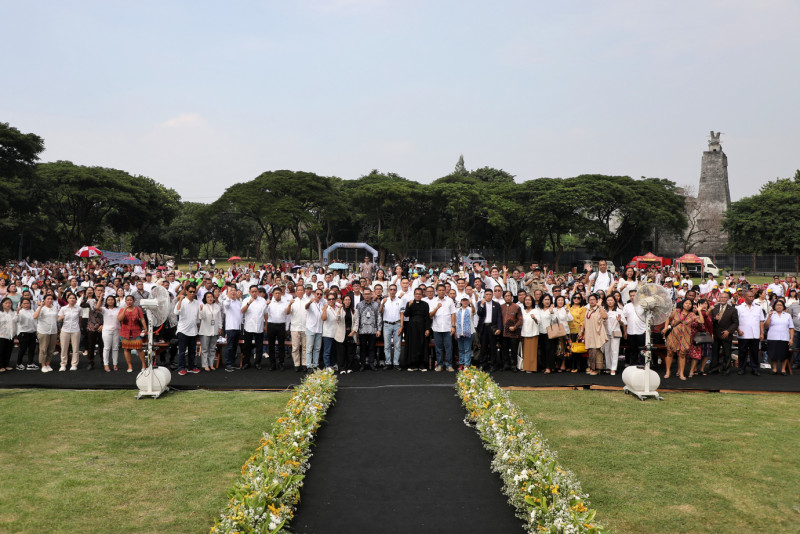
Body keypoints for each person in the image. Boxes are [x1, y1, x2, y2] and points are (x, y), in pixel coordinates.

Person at [663, 298, 703, 380]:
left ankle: (681, 373)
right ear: (683, 304)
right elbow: (668, 318)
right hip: (674, 335)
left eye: (690, 304)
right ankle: (668, 371)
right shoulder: (676, 311)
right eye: (686, 303)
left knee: (682, 354)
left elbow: (701, 321)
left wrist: (699, 311)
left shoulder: (692, 314)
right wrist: (666, 327)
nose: (688, 305)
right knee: (670, 352)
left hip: (685, 336)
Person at [174, 285, 201, 376]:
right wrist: (180, 300)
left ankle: (191, 366)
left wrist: (197, 327)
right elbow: (176, 312)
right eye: (190, 291)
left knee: (192, 351)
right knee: (182, 351)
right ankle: (181, 368)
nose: (192, 293)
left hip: (193, 330)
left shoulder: (197, 303)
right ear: (186, 292)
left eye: (194, 292)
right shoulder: (183, 301)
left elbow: (197, 317)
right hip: (183, 330)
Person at [736, 290, 764, 376]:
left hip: (755, 334)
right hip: (743, 334)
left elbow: (761, 321)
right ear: (745, 297)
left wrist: (762, 333)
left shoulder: (758, 308)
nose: (752, 298)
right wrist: (738, 330)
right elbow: (735, 321)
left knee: (755, 352)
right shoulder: (739, 308)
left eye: (752, 296)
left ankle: (755, 369)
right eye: (749, 296)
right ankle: (741, 368)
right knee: (742, 352)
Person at [429, 283, 456, 372]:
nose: (441, 292)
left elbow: (453, 314)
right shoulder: (433, 301)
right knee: (438, 348)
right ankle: (440, 364)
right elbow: (430, 315)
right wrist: (437, 307)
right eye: (439, 290)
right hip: (437, 328)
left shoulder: (449, 301)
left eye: (443, 290)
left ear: (445, 291)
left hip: (448, 328)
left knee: (449, 347)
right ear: (436, 291)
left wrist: (453, 326)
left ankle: (448, 365)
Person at [403, 288, 431, 371]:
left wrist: (427, 329)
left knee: (422, 345)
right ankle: (413, 364)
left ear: (422, 295)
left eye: (419, 294)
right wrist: (409, 306)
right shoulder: (410, 303)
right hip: (412, 328)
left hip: (422, 327)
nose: (418, 295)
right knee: (413, 345)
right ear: (414, 295)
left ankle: (422, 365)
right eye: (416, 294)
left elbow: (427, 317)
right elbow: (406, 314)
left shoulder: (425, 304)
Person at [241, 285, 268, 370]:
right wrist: (249, 303)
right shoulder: (246, 300)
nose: (254, 293)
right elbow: (242, 311)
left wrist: (266, 325)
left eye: (255, 291)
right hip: (249, 326)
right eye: (252, 291)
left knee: (259, 346)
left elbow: (265, 313)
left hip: (259, 326)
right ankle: (246, 362)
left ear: (258, 292)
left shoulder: (263, 300)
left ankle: (257, 363)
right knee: (247, 346)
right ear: (249, 292)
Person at [118, 295, 146, 372]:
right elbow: (120, 319)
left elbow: (142, 319)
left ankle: (144, 364)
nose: (129, 301)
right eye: (128, 300)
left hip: (136, 331)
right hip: (125, 332)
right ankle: (129, 366)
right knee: (127, 349)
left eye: (131, 300)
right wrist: (125, 310)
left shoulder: (138, 309)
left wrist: (145, 328)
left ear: (133, 301)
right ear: (125, 301)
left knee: (139, 348)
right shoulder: (122, 309)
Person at [764, 299, 793, 375]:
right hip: (773, 337)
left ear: (783, 307)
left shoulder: (787, 315)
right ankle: (774, 369)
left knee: (784, 354)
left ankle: (783, 369)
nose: (779, 306)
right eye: (777, 305)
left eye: (780, 305)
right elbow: (766, 325)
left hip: (784, 337)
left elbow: (791, 328)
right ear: (774, 306)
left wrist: (791, 338)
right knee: (773, 354)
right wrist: (769, 316)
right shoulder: (771, 314)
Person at [476, 289, 502, 371]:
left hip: (492, 327)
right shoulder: (480, 303)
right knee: (483, 347)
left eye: (490, 294)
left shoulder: (496, 305)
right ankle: (483, 364)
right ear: (484, 295)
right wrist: (482, 305)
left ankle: (493, 365)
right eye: (486, 294)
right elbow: (479, 314)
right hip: (483, 327)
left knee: (493, 347)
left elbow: (499, 317)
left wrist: (499, 328)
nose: (488, 296)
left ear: (492, 295)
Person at [356, 288, 381, 371]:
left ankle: (371, 364)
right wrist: (357, 330)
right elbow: (357, 318)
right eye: (365, 294)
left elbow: (379, 318)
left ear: (371, 294)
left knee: (372, 348)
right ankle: (362, 364)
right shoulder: (359, 305)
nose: (367, 296)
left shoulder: (376, 305)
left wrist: (379, 329)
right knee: (362, 348)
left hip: (373, 330)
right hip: (362, 330)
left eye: (368, 294)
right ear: (363, 295)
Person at [379, 284, 404, 370]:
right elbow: (380, 311)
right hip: (387, 324)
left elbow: (402, 314)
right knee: (387, 345)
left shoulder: (400, 301)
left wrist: (401, 326)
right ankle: (388, 363)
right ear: (389, 291)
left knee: (397, 345)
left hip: (397, 324)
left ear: (396, 291)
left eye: (394, 290)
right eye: (391, 289)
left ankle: (396, 363)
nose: (393, 291)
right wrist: (383, 304)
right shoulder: (384, 300)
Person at [582, 294, 608, 376]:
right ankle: (592, 367)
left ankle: (598, 369)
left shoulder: (600, 309)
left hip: (598, 332)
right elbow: (585, 322)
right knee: (591, 351)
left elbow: (605, 317)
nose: (592, 301)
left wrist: (600, 307)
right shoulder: (588, 310)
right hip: (589, 333)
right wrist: (584, 333)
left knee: (597, 350)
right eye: (590, 300)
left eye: (593, 299)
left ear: (597, 300)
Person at [286, 285, 310, 372]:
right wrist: (289, 304)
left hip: (305, 327)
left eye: (301, 290)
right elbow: (287, 313)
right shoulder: (293, 301)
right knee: (295, 347)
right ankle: (296, 364)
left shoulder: (307, 301)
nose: (300, 292)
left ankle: (304, 363)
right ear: (296, 292)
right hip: (295, 327)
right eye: (298, 290)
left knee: (305, 347)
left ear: (304, 292)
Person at [621, 289, 646, 369]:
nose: (632, 297)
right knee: (632, 350)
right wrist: (625, 332)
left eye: (634, 295)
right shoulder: (627, 306)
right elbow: (624, 320)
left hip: (642, 331)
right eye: (631, 295)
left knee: (642, 350)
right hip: (630, 332)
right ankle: (633, 366)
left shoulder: (644, 305)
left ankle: (642, 365)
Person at [34, 293, 59, 373]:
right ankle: (43, 365)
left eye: (51, 299)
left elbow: (57, 319)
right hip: (43, 331)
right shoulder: (41, 308)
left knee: (51, 349)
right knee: (43, 348)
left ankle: (48, 363)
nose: (50, 300)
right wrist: (41, 306)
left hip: (53, 330)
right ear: (44, 300)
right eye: (48, 299)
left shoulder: (54, 308)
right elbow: (35, 316)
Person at [265, 287, 289, 371]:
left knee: (281, 346)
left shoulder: (285, 303)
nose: (277, 295)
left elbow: (288, 316)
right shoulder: (269, 303)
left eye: (279, 293)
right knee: (271, 346)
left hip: (281, 325)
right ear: (273, 294)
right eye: (276, 293)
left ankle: (281, 363)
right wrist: (266, 305)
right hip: (271, 325)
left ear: (281, 294)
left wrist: (287, 328)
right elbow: (264, 313)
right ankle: (272, 364)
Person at [58, 292, 82, 371]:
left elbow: (80, 319)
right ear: (67, 299)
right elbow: (58, 319)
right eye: (70, 298)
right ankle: (63, 364)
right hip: (65, 330)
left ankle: (74, 364)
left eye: (73, 298)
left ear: (75, 300)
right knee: (64, 348)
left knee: (75, 349)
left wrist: (79, 327)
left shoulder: (79, 308)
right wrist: (61, 318)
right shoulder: (63, 308)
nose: (72, 299)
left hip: (75, 330)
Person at [198, 291, 222, 371]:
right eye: (208, 297)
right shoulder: (203, 306)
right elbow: (201, 317)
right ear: (205, 298)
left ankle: (211, 364)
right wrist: (201, 310)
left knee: (212, 348)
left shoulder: (217, 306)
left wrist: (220, 327)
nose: (210, 298)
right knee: (205, 349)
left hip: (214, 330)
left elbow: (219, 318)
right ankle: (205, 365)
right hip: (205, 330)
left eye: (211, 297)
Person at [602, 295, 626, 376]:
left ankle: (613, 368)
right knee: (607, 350)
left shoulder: (619, 311)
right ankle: (608, 367)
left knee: (614, 350)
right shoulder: (604, 310)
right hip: (606, 332)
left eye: (611, 300)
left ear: (614, 301)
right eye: (608, 300)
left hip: (616, 332)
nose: (609, 302)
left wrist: (619, 321)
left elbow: (624, 323)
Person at [499, 290, 522, 372]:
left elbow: (520, 320)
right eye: (506, 296)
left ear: (512, 297)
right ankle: (506, 365)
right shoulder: (501, 307)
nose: (507, 297)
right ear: (504, 297)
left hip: (513, 333)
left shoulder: (516, 307)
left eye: (509, 295)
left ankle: (514, 365)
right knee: (504, 349)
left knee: (513, 349)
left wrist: (515, 327)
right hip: (504, 333)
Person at [221, 286, 242, 371]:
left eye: (234, 290)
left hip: (238, 327)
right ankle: (228, 363)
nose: (233, 292)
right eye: (231, 291)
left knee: (234, 346)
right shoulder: (227, 301)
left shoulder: (238, 302)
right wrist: (229, 297)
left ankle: (232, 362)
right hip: (230, 327)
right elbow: (226, 305)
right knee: (229, 346)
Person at [321, 291, 343, 369]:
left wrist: (340, 308)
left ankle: (333, 364)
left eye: (333, 299)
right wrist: (325, 310)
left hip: (336, 332)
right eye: (329, 299)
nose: (331, 301)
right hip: (328, 333)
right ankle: (327, 365)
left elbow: (340, 319)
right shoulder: (325, 308)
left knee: (334, 350)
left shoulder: (338, 307)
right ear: (327, 300)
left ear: (335, 299)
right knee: (327, 351)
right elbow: (323, 318)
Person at [337, 294, 358, 374]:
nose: (347, 301)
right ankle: (342, 368)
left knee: (350, 351)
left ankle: (349, 367)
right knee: (341, 352)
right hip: (342, 333)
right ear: (343, 301)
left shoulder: (355, 310)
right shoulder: (340, 310)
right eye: (346, 300)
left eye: (349, 300)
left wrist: (353, 331)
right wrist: (339, 309)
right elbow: (337, 320)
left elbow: (356, 322)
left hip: (351, 333)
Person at [15, 298, 38, 370]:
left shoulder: (32, 311)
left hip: (32, 332)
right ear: (21, 304)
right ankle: (19, 363)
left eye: (28, 303)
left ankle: (30, 363)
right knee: (23, 349)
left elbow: (35, 321)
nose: (26, 305)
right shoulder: (20, 312)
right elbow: (18, 320)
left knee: (32, 349)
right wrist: (17, 312)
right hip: (23, 333)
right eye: (24, 303)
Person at [304, 289, 325, 370]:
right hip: (310, 328)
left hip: (319, 329)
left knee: (317, 348)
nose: (319, 295)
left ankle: (315, 365)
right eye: (317, 294)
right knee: (309, 348)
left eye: (320, 294)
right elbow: (306, 307)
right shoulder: (311, 303)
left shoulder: (322, 304)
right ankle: (309, 365)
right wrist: (309, 302)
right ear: (314, 294)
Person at [100, 295, 121, 372]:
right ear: (106, 301)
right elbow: (97, 307)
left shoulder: (118, 309)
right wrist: (100, 298)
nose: (111, 301)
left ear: (114, 301)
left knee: (115, 348)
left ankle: (115, 364)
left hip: (117, 330)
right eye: (109, 300)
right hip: (106, 330)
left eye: (112, 299)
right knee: (107, 348)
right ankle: (106, 364)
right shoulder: (104, 309)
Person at [520, 295, 540, 373]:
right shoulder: (522, 310)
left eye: (529, 300)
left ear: (532, 301)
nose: (527, 301)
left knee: (532, 352)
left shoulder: (535, 310)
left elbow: (539, 321)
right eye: (526, 300)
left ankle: (531, 368)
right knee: (525, 351)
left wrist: (534, 318)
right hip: (524, 332)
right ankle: (525, 366)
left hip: (533, 333)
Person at [455, 297, 474, 370]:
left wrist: (472, 304)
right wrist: (456, 332)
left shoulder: (470, 309)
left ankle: (467, 364)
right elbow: (456, 322)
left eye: (466, 300)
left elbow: (474, 311)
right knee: (461, 349)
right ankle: (461, 363)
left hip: (469, 332)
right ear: (461, 301)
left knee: (467, 349)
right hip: (460, 332)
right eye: (463, 300)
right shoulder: (458, 310)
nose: (465, 302)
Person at [0, 298, 15, 372]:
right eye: (6, 303)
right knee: (1, 350)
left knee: (8, 350)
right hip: (1, 334)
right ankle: (1, 365)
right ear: (2, 304)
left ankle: (6, 364)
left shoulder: (13, 312)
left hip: (10, 334)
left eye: (9, 303)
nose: (8, 304)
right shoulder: (0, 312)